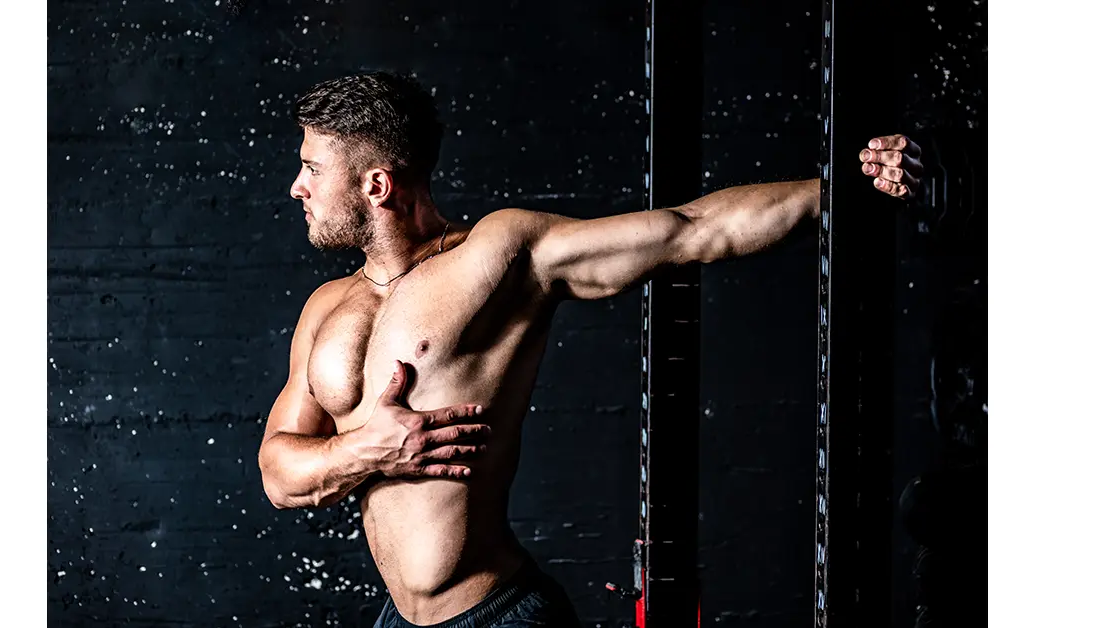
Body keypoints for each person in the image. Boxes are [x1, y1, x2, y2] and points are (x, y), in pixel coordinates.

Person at [257, 71, 923, 628]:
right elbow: (277, 474)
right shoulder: (325, 309)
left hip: (496, 614)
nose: (297, 187)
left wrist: (844, 190)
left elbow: (692, 231)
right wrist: (368, 449)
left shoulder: (497, 256)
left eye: (312, 168)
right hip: (394, 619)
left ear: (377, 184)